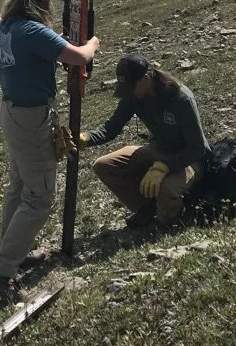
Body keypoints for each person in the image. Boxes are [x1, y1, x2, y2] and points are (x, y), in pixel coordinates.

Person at [0, 0, 100, 301]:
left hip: (12, 112)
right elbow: (78, 57)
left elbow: (45, 50)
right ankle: (3, 271)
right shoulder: (32, 31)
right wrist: (92, 44)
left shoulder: (8, 27)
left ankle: (8, 255)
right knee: (40, 197)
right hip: (33, 117)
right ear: (39, 3)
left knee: (19, 185)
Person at [81, 53, 210, 229]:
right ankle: (146, 209)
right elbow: (111, 128)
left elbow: (197, 148)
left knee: (168, 189)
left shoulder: (180, 99)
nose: (130, 92)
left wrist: (164, 166)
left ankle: (170, 221)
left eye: (132, 86)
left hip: (189, 158)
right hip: (159, 148)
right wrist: (85, 138)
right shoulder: (133, 97)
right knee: (103, 166)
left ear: (147, 78)